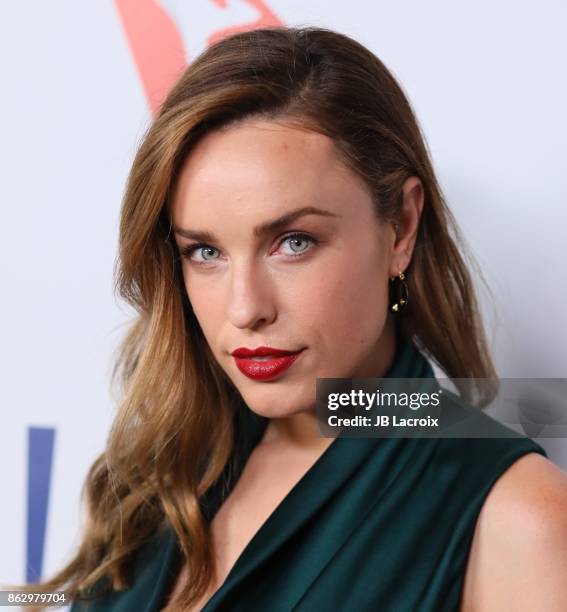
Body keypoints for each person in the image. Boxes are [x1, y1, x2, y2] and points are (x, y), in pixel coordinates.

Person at [23, 25, 567, 611]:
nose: (245, 309)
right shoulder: (167, 474)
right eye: (205, 252)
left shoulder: (513, 515)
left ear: (401, 228)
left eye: (293, 242)